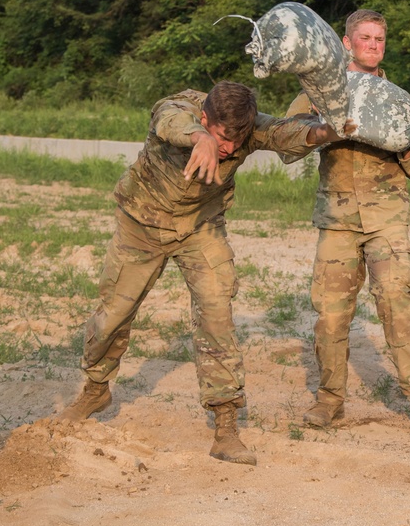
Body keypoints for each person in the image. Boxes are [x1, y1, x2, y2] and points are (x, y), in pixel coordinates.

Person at [59, 81, 343, 466]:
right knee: (112, 316)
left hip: (200, 228)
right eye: (221, 138)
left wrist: (329, 129)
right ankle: (96, 388)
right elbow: (169, 121)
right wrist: (200, 139)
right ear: (206, 117)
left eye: (236, 141)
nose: (228, 148)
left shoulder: (245, 127)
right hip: (142, 224)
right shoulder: (180, 108)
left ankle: (225, 425)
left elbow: (287, 132)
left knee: (216, 313)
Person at [284, 9, 410, 433]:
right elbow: (285, 143)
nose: (373, 45)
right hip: (337, 219)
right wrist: (322, 126)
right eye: (365, 38)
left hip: (386, 220)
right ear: (346, 42)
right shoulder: (320, 91)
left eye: (379, 39)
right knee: (331, 315)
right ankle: (330, 399)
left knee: (399, 305)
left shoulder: (399, 99)